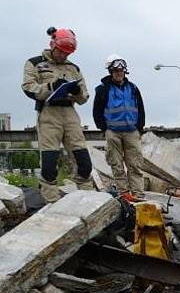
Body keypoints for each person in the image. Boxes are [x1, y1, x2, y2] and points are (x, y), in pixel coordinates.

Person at [21, 27, 93, 203]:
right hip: (48, 114)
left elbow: (84, 97)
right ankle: (51, 204)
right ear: (53, 45)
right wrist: (51, 87)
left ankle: (89, 202)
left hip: (70, 114)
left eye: (67, 53)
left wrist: (77, 91)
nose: (63, 55)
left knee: (84, 163)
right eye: (61, 51)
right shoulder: (35, 63)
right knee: (49, 164)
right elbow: (28, 87)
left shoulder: (73, 68)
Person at [93, 55, 146, 198]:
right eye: (116, 70)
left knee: (135, 165)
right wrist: (104, 128)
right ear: (110, 71)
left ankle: (138, 195)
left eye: (121, 70)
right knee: (117, 166)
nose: (119, 73)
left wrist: (139, 128)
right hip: (113, 132)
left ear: (125, 71)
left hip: (132, 132)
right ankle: (124, 195)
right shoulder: (103, 89)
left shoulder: (133, 88)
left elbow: (140, 108)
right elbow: (97, 111)